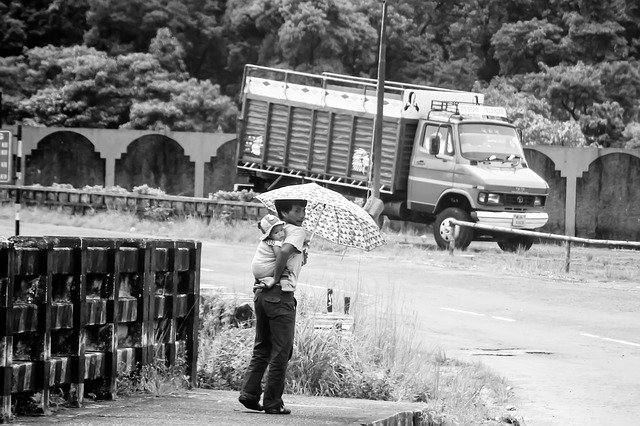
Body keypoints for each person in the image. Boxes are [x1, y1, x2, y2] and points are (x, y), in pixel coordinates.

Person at [239, 198, 307, 415]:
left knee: (263, 347)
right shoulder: (296, 231)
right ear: (284, 213)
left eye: (304, 210)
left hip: (261, 296)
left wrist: (303, 255)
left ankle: (249, 394)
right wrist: (275, 279)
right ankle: (273, 402)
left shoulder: (275, 230)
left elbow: (283, 257)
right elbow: (284, 253)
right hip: (279, 296)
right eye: (297, 210)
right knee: (281, 350)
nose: (302, 214)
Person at [251, 214, 286, 288]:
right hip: (264, 269)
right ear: (269, 235)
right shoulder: (275, 243)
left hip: (257, 270)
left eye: (281, 230)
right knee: (284, 263)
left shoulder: (265, 242)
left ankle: (259, 280)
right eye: (276, 233)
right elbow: (279, 257)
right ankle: (273, 280)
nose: (280, 234)